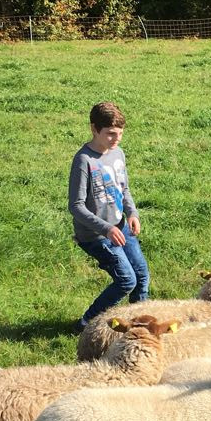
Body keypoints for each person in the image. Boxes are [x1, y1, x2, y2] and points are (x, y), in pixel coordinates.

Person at [69, 101, 149, 330]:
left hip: (120, 227)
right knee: (126, 280)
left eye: (120, 134)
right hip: (96, 235)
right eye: (111, 134)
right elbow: (76, 206)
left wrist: (132, 213)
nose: (116, 139)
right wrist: (106, 229)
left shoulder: (118, 154)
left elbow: (124, 188)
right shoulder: (84, 160)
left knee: (142, 276)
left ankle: (140, 325)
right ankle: (86, 323)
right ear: (94, 129)